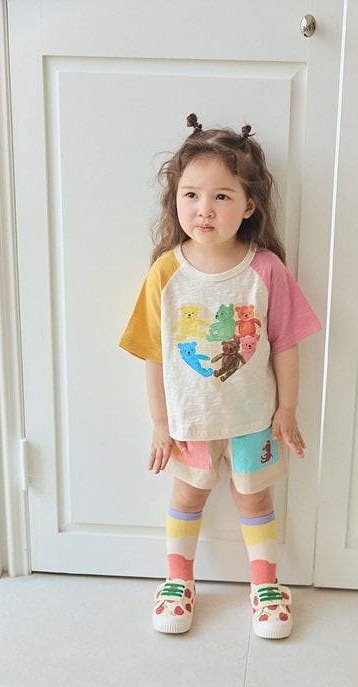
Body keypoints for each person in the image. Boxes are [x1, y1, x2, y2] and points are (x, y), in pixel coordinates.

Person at [120, 113, 320, 639]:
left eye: (222, 196)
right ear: (175, 200)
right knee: (187, 497)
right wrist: (160, 423)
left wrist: (287, 410)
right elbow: (153, 354)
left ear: (249, 205)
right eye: (191, 195)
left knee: (255, 500)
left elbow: (286, 344)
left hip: (254, 420)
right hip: (190, 422)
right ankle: (178, 580)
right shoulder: (166, 272)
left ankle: (266, 584)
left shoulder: (266, 269)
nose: (204, 209)